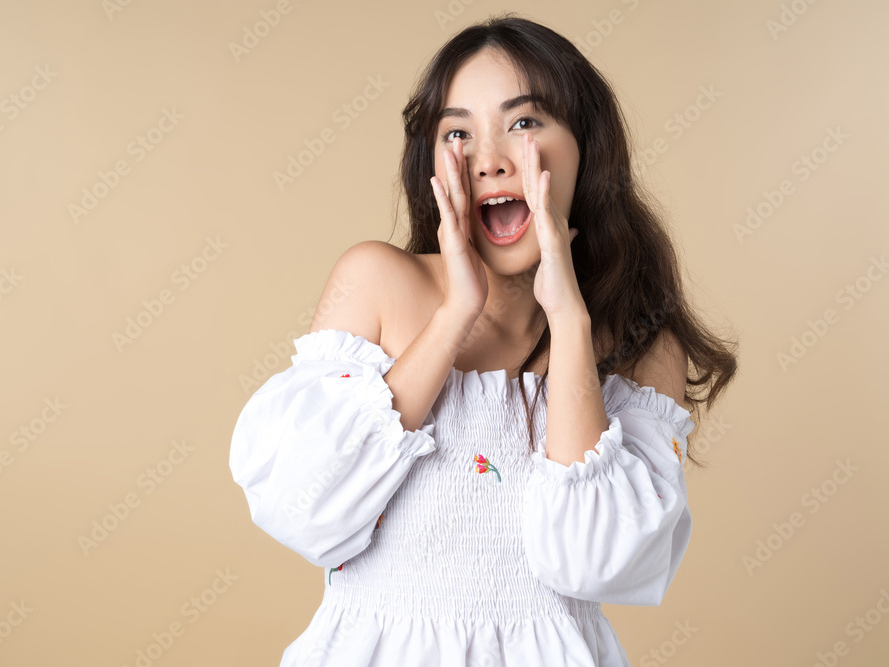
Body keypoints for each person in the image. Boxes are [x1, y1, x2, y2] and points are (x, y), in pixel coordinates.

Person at [230, 12, 738, 666]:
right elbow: (307, 509)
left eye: (525, 123)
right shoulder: (378, 282)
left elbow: (592, 562)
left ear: (586, 144)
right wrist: (454, 316)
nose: (492, 159)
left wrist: (572, 323)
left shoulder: (641, 341)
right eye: (458, 132)